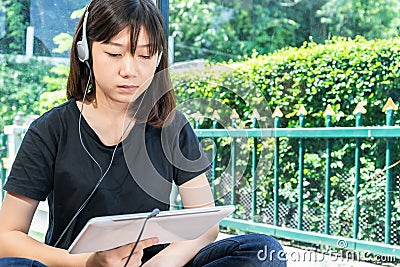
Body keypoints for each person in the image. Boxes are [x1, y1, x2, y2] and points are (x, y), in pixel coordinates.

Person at [0, 0, 286, 266]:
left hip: (153, 264)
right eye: (114, 53)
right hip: (76, 266)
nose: (130, 70)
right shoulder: (50, 130)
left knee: (263, 250)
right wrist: (88, 263)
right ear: (85, 51)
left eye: (145, 55)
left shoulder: (172, 126)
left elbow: (206, 226)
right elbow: (7, 237)